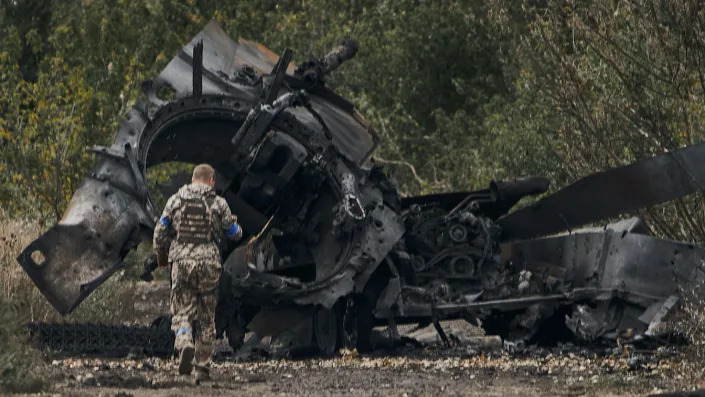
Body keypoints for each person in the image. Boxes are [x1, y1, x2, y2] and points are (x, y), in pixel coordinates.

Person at [153, 163, 243, 383]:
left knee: (182, 312)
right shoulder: (219, 203)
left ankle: (184, 343)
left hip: (181, 264)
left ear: (193, 179)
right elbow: (234, 234)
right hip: (209, 265)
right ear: (211, 180)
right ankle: (202, 368)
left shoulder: (175, 200)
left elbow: (159, 233)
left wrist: (163, 258)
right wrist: (235, 226)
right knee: (206, 318)